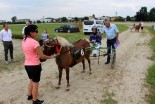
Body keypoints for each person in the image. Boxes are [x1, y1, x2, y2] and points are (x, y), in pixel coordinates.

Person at [22, 25, 54, 104]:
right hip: (34, 66)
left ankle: (29, 95)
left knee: (31, 80)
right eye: (35, 31)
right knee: (35, 83)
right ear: (30, 33)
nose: (37, 33)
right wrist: (51, 57)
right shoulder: (35, 42)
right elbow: (42, 56)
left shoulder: (23, 40)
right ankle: (35, 100)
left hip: (27, 65)